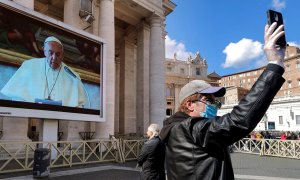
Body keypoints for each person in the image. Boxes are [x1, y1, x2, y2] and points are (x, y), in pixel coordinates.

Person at [159, 22, 286, 180]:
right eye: (208, 100)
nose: (213, 105)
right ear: (189, 104)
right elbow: (237, 121)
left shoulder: (177, 130)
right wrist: (275, 65)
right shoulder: (190, 128)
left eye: (215, 101)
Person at [0, 36, 87, 107]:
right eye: (50, 53)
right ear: (44, 51)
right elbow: (18, 97)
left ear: (63, 55)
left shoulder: (72, 75)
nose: (54, 57)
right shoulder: (29, 66)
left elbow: (79, 105)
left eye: (58, 54)